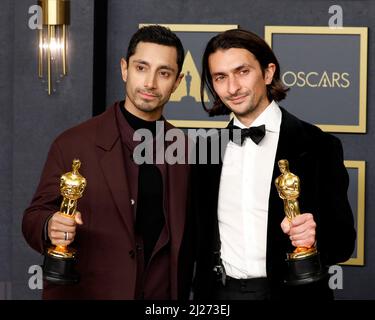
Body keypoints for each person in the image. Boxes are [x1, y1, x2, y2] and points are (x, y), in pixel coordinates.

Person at [22, 25, 193, 300]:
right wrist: (49, 224)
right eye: (141, 68)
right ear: (125, 69)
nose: (150, 82)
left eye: (163, 73)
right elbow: (34, 216)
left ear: (177, 81)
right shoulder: (72, 143)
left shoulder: (185, 149)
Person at [191, 29, 356, 300]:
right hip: (220, 295)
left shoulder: (318, 146)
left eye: (242, 72)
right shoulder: (205, 150)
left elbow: (343, 243)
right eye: (220, 77)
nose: (232, 88)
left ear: (268, 73)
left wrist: (313, 237)